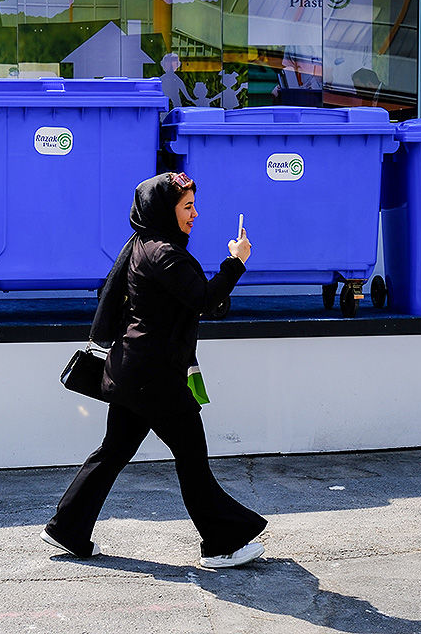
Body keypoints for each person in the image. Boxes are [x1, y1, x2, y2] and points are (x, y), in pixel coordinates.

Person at [43, 171, 267, 569]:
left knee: (113, 452)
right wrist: (236, 262)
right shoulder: (163, 253)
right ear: (165, 210)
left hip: (134, 371)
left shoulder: (145, 245)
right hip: (155, 378)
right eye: (187, 207)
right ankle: (221, 543)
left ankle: (67, 527)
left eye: (194, 205)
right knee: (192, 459)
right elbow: (203, 298)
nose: (195, 214)